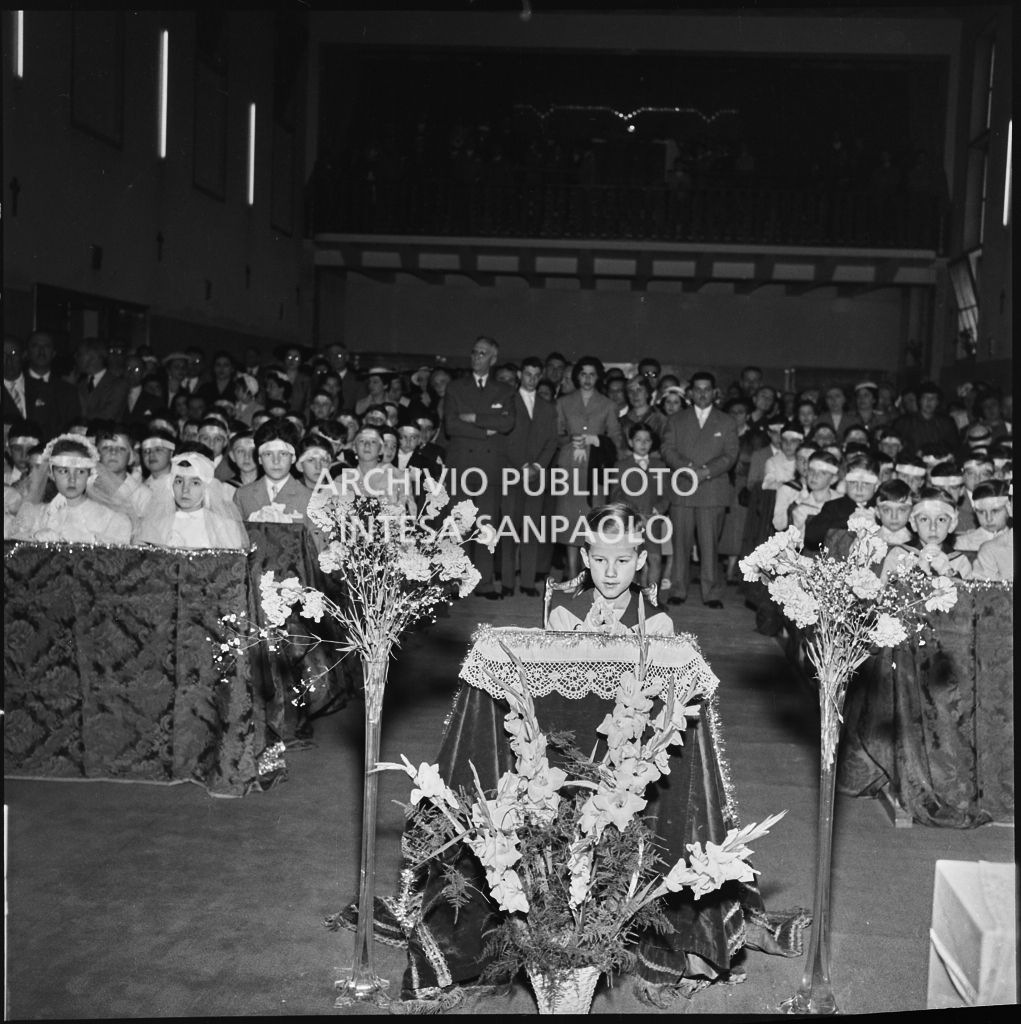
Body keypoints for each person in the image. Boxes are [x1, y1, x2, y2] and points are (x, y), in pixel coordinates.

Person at [443, 337, 516, 598]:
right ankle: (455, 579)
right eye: (474, 352)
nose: (476, 357)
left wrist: (474, 419)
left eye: (483, 354)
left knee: (486, 524)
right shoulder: (455, 387)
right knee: (458, 523)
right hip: (461, 464)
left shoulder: (505, 390)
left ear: (493, 359)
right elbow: (451, 425)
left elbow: (507, 424)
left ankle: (483, 581)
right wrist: (487, 429)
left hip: (489, 467)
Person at [661, 371, 738, 609]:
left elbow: (730, 455)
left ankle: (711, 592)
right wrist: (687, 469)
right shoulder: (676, 420)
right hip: (683, 488)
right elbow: (667, 449)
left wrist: (704, 472)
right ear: (691, 393)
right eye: (698, 389)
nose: (702, 394)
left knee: (709, 544)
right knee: (680, 544)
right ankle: (678, 589)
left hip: (712, 489)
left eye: (707, 389)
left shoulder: (726, 421)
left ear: (715, 393)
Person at [546, 503, 673, 634]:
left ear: (640, 560)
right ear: (586, 558)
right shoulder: (563, 619)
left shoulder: (657, 625)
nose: (610, 572)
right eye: (600, 560)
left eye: (622, 560)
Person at [553, 355, 624, 581]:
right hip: (569, 469)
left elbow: (616, 441)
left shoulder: (608, 405)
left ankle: (590, 576)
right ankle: (572, 573)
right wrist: (570, 439)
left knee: (592, 524)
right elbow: (555, 436)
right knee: (569, 522)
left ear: (598, 377)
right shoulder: (563, 402)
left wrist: (596, 439)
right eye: (583, 373)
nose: (587, 378)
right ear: (576, 376)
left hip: (595, 471)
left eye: (592, 374)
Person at [499, 356, 558, 597]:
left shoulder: (547, 407)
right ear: (520, 375)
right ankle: (506, 581)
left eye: (536, 375)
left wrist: (537, 465)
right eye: (528, 374)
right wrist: (522, 464)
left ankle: (527, 581)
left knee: (531, 529)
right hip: (512, 472)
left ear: (540, 376)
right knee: (509, 529)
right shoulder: (507, 401)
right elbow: (504, 439)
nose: (532, 379)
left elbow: (552, 441)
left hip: (536, 474)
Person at [9, 434, 133, 544]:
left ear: (90, 474)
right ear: (51, 474)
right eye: (63, 471)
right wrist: (33, 539)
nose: (72, 479)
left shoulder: (111, 519)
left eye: (80, 472)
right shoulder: (34, 515)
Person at [134, 449, 249, 550]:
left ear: (206, 487)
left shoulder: (224, 527)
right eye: (179, 481)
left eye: (195, 483)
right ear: (170, 485)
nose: (185, 490)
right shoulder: (155, 525)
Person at [610, 425, 670, 596]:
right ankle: (629, 599)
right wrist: (634, 513)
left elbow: (667, 494)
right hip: (629, 523)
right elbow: (615, 495)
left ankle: (652, 600)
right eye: (638, 440)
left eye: (647, 440)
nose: (643, 444)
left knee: (655, 559)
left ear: (652, 443)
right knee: (630, 560)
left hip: (652, 520)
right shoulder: (621, 465)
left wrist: (659, 508)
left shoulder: (660, 465)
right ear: (630, 442)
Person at [233, 421, 311, 524]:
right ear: (259, 459)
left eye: (283, 454)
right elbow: (233, 536)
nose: (276, 461)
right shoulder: (243, 495)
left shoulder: (309, 499)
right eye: (268, 454)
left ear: (293, 458)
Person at [803, 454, 880, 553]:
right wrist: (848, 521)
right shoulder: (833, 507)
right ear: (846, 483)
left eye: (866, 483)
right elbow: (811, 538)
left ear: (876, 486)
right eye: (853, 482)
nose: (859, 488)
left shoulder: (883, 508)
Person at [953, 479, 1011, 553]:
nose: (988, 518)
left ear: (1009, 509)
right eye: (981, 512)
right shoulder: (963, 543)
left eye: (995, 511)